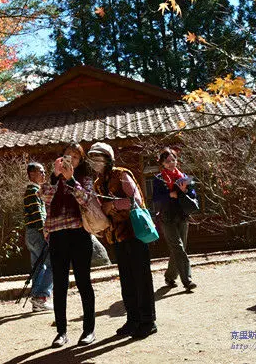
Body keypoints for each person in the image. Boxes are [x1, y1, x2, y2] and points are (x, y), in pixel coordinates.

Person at [89, 142, 157, 340]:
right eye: (92, 158)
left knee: (141, 277)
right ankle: (133, 319)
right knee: (126, 279)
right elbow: (101, 208)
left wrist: (113, 205)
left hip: (134, 232)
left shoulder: (122, 174)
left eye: (98, 157)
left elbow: (136, 200)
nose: (95, 162)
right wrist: (104, 209)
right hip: (115, 236)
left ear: (108, 158)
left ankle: (148, 321)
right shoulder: (97, 183)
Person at [39, 143, 96, 348]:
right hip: (57, 235)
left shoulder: (85, 179)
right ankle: (61, 332)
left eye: (75, 156)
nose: (70, 159)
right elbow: (44, 197)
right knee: (60, 285)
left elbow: (85, 200)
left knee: (83, 282)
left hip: (79, 234)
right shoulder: (52, 180)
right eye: (66, 155)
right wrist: (55, 176)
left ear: (81, 161)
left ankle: (89, 330)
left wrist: (71, 179)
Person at [152, 147, 197, 290]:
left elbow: (193, 194)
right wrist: (169, 195)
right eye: (168, 161)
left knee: (178, 249)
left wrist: (185, 191)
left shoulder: (183, 176)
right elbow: (155, 198)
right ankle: (187, 281)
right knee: (178, 248)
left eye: (174, 159)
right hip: (167, 217)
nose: (172, 163)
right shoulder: (158, 179)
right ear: (162, 163)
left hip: (183, 215)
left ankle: (170, 277)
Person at [24, 162, 53, 312]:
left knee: (38, 266)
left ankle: (37, 300)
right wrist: (45, 231)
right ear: (32, 174)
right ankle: (42, 297)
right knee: (52, 263)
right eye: (40, 171)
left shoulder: (33, 190)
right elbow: (38, 214)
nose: (43, 174)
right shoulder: (33, 191)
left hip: (31, 233)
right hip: (37, 232)